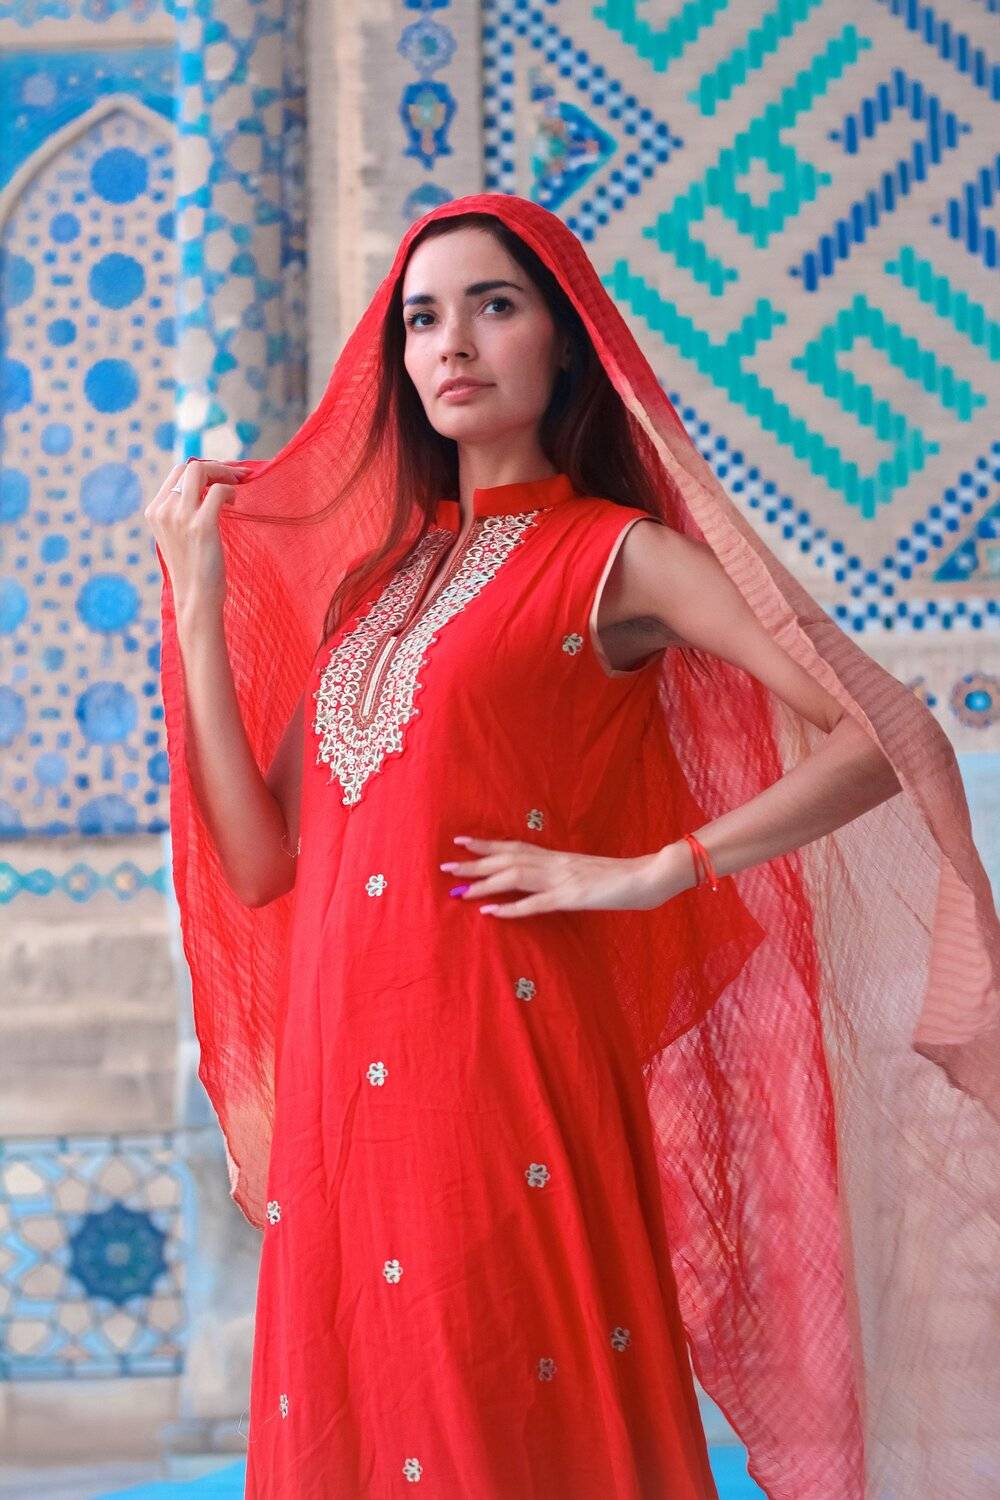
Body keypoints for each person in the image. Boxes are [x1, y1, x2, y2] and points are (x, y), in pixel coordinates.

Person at [148, 195, 1000, 1499]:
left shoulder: (619, 557)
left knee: (502, 1412)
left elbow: (884, 735)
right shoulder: (374, 591)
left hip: (505, 1058)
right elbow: (263, 863)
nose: (451, 343)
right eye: (421, 319)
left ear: (563, 340)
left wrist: (663, 867)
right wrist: (197, 601)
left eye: (494, 306)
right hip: (345, 1093)